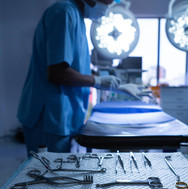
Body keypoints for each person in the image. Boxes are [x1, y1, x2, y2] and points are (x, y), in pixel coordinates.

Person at [17, 0, 121, 154]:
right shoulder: (63, 13)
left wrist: (97, 77)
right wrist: (97, 81)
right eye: (107, 2)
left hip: (62, 116)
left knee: (59, 173)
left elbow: (74, 68)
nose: (108, 7)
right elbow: (58, 72)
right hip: (49, 116)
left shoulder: (75, 17)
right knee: (48, 174)